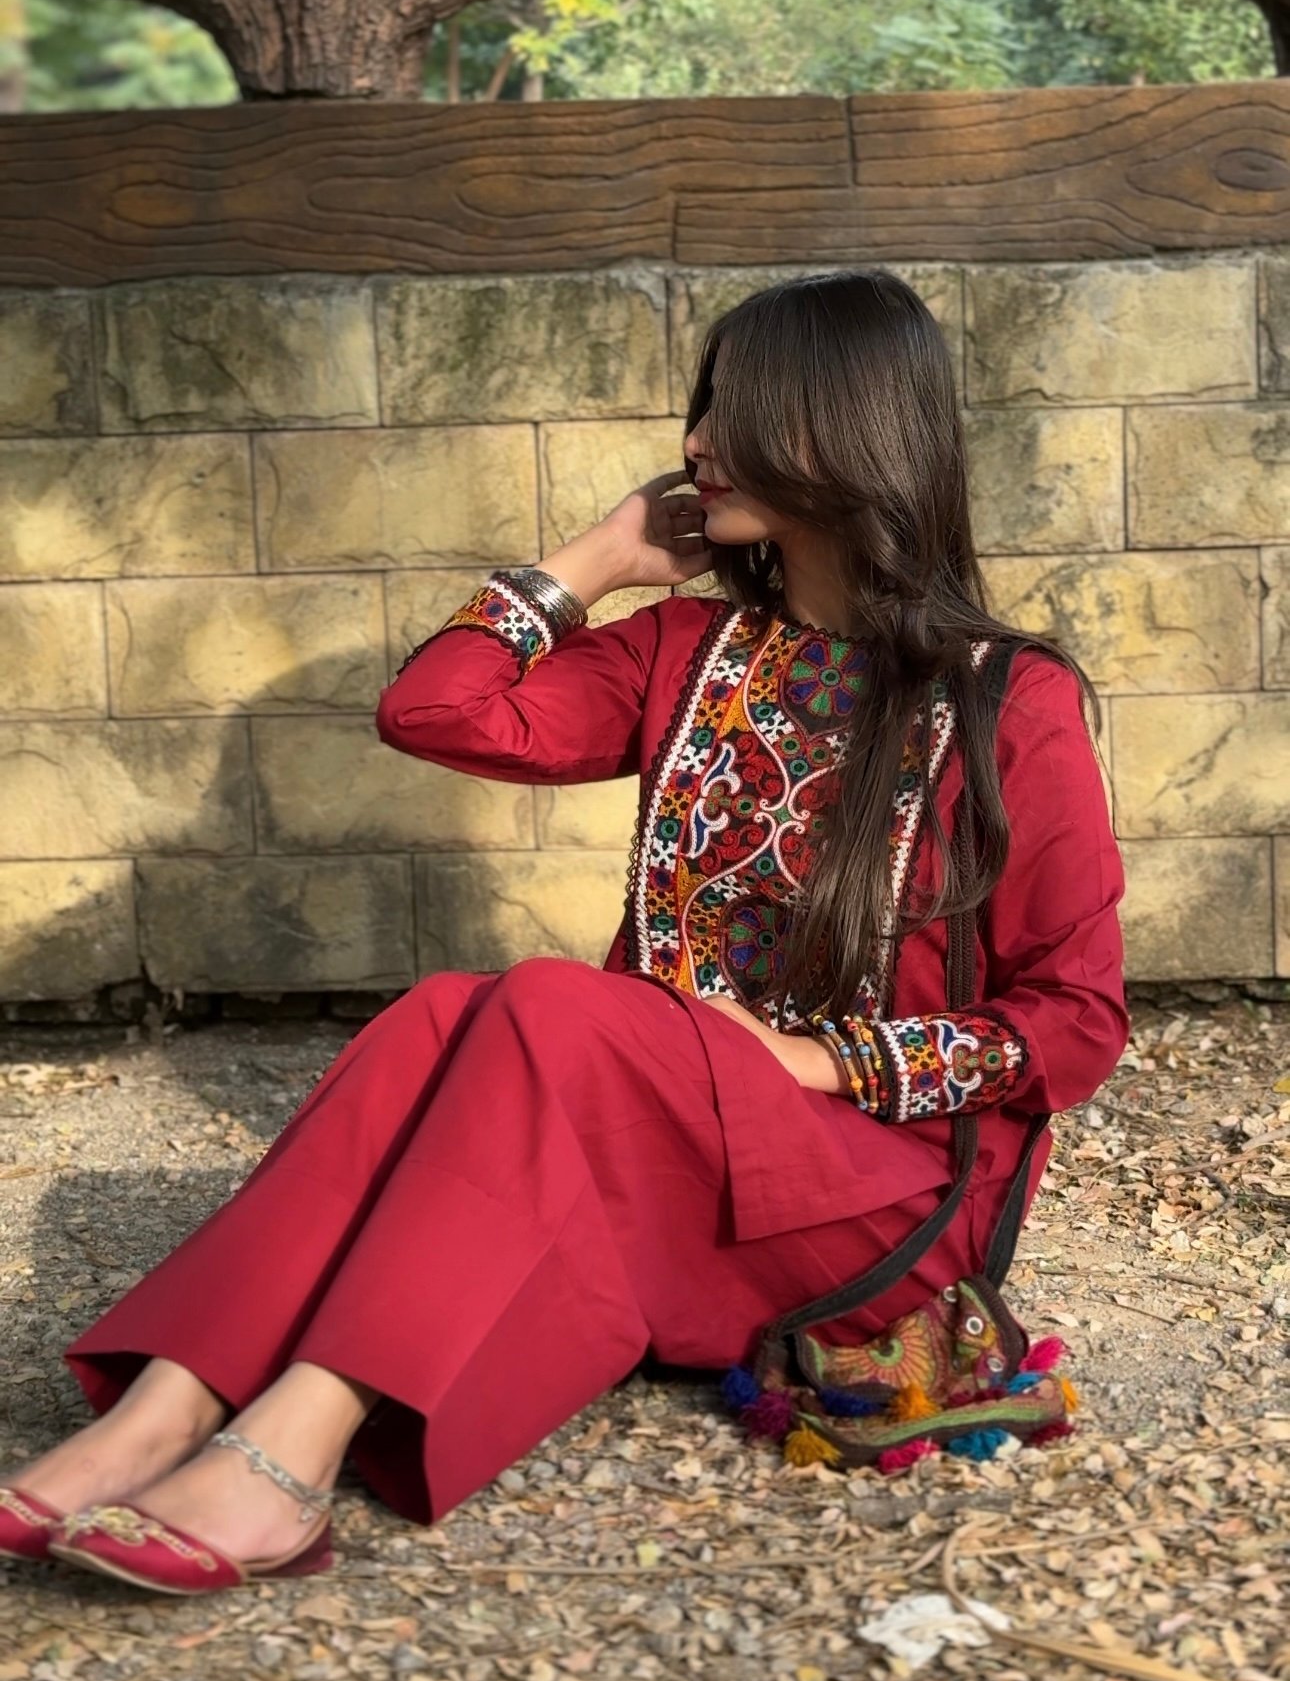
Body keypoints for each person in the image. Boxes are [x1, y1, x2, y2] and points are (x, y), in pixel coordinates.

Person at [0, 270, 1127, 1595]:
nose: (696, 439)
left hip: (872, 1203)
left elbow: (1076, 1022)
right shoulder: (688, 653)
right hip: (660, 1157)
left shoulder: (1005, 700)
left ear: (845, 428)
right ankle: (163, 1411)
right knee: (442, 1013)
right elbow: (438, 712)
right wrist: (593, 562)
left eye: (738, 408)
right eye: (702, 405)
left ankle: (293, 1447)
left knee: (545, 1001)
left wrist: (813, 1063)